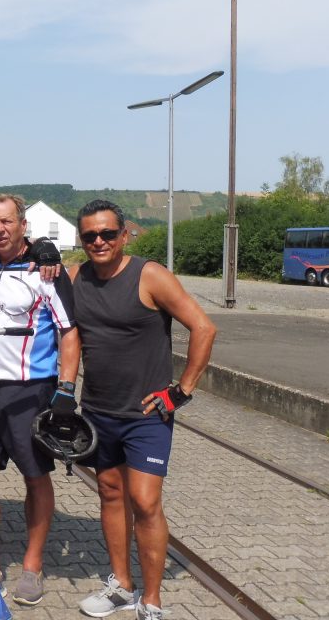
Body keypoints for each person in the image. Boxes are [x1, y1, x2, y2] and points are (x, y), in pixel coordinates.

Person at [69, 200, 216, 620]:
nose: (99, 241)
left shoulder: (149, 275)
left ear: (123, 235)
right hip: (98, 410)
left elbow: (204, 327)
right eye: (90, 235)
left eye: (107, 234)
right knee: (111, 493)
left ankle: (152, 600)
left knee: (146, 501)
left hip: (147, 416)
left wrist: (180, 392)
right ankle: (121, 585)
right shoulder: (76, 277)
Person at [0, 193, 79, 605]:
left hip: (29, 389)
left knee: (35, 477)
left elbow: (70, 332)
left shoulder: (46, 270)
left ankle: (32, 564)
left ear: (23, 225)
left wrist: (66, 389)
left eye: (7, 221)